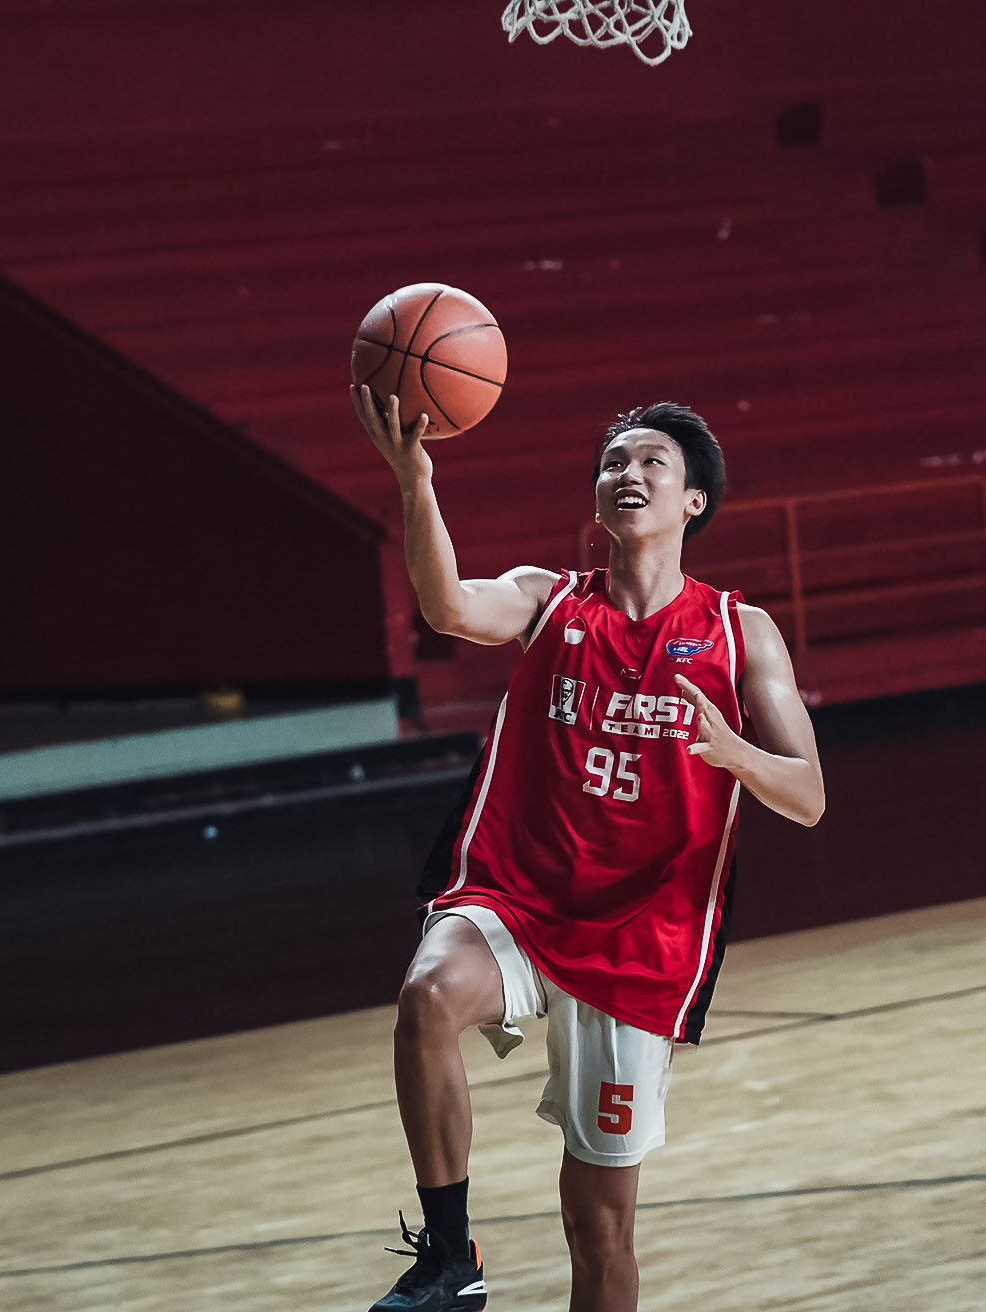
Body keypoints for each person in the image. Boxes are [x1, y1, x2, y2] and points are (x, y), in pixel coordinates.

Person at [352, 384, 825, 1312]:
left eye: (652, 461)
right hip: (519, 899)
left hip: (641, 941)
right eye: (613, 462)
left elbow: (807, 796)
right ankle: (449, 1258)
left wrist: (736, 753)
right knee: (427, 994)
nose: (627, 473)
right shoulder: (551, 601)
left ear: (693, 501)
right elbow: (448, 607)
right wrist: (415, 480)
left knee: (599, 1235)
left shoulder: (740, 634)